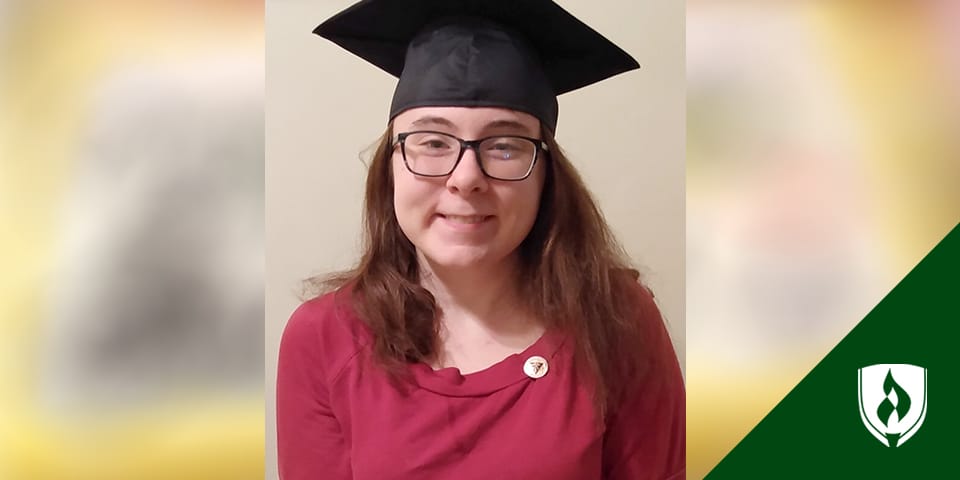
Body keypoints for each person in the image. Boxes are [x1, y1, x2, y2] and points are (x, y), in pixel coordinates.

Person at [276, 1, 685, 479]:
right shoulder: (324, 338)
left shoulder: (618, 320)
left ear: (546, 176)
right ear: (390, 166)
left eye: (505, 146)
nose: (465, 178)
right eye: (432, 142)